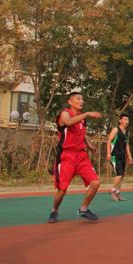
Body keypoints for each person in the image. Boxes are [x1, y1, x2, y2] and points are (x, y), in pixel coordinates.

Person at [48, 92, 102, 223]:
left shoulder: (82, 118)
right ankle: (54, 211)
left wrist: (89, 144)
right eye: (78, 99)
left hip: (81, 156)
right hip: (67, 156)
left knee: (95, 183)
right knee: (62, 190)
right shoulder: (65, 113)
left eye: (82, 99)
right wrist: (87, 114)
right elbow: (68, 122)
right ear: (70, 102)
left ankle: (83, 209)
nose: (81, 101)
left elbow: (82, 132)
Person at [106, 113, 133, 201]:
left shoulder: (127, 132)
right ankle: (112, 190)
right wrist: (108, 153)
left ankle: (117, 193)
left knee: (121, 176)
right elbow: (109, 141)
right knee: (119, 174)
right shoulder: (116, 129)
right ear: (120, 120)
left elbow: (127, 145)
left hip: (122, 156)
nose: (126, 121)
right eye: (124, 119)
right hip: (115, 155)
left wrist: (129, 156)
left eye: (127, 120)